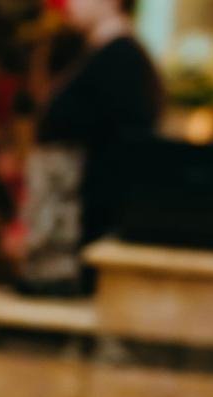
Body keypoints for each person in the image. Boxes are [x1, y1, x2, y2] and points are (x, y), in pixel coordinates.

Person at [34, 0, 162, 248]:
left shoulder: (123, 58)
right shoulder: (93, 51)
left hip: (91, 220)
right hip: (76, 215)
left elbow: (123, 152)